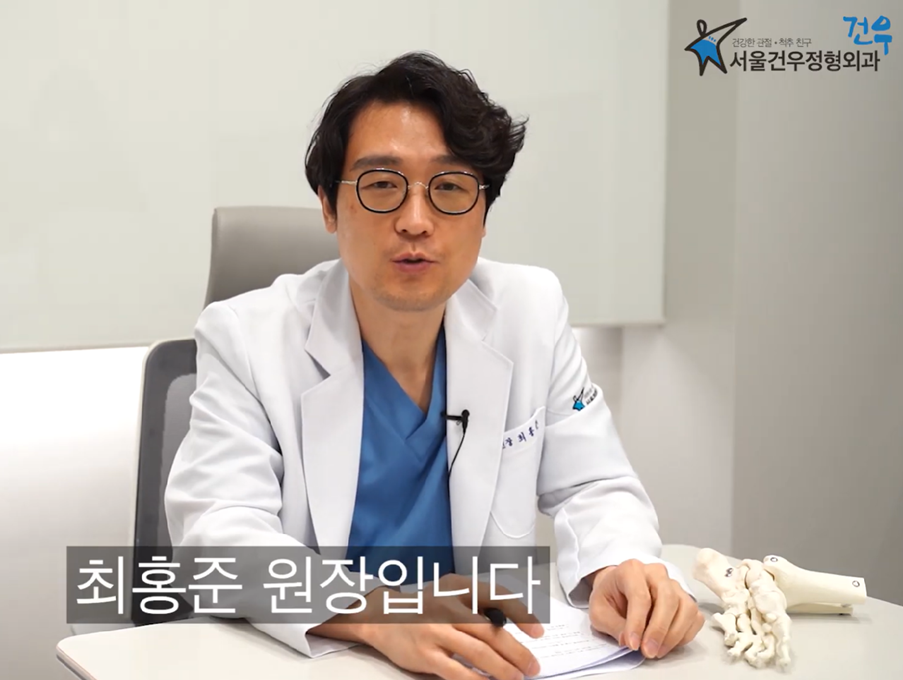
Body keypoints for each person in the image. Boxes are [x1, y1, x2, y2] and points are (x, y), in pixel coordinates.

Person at [164, 51, 703, 679]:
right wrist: (381, 612)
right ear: (329, 206)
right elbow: (217, 538)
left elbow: (593, 485)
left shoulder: (529, 311)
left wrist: (620, 566)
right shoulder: (248, 337)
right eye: (381, 185)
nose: (416, 222)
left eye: (448, 188)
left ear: (483, 212)